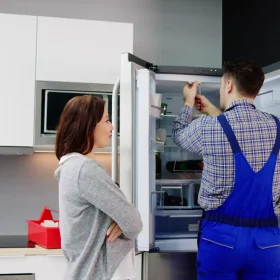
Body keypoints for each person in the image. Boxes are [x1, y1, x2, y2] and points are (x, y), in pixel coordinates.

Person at [172, 59, 280, 279]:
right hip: (267, 243)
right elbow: (242, 133)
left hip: (220, 238)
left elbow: (179, 134)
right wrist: (212, 110)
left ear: (229, 85)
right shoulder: (278, 127)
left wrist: (188, 102)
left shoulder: (208, 127)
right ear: (257, 90)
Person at [54, 95, 143, 280]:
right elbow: (134, 223)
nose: (111, 127)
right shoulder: (86, 170)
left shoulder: (70, 166)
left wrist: (122, 221)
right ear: (89, 125)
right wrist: (123, 221)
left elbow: (126, 220)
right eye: (107, 120)